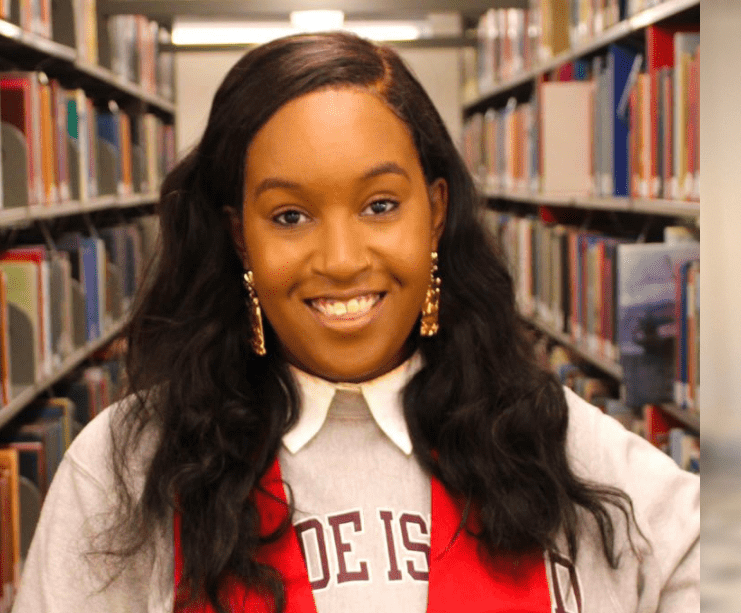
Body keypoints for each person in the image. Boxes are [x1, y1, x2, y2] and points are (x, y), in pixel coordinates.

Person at [14, 32, 698, 613]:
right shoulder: (125, 469)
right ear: (239, 236)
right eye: (290, 216)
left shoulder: (559, 442)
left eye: (379, 205)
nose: (341, 261)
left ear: (434, 211)